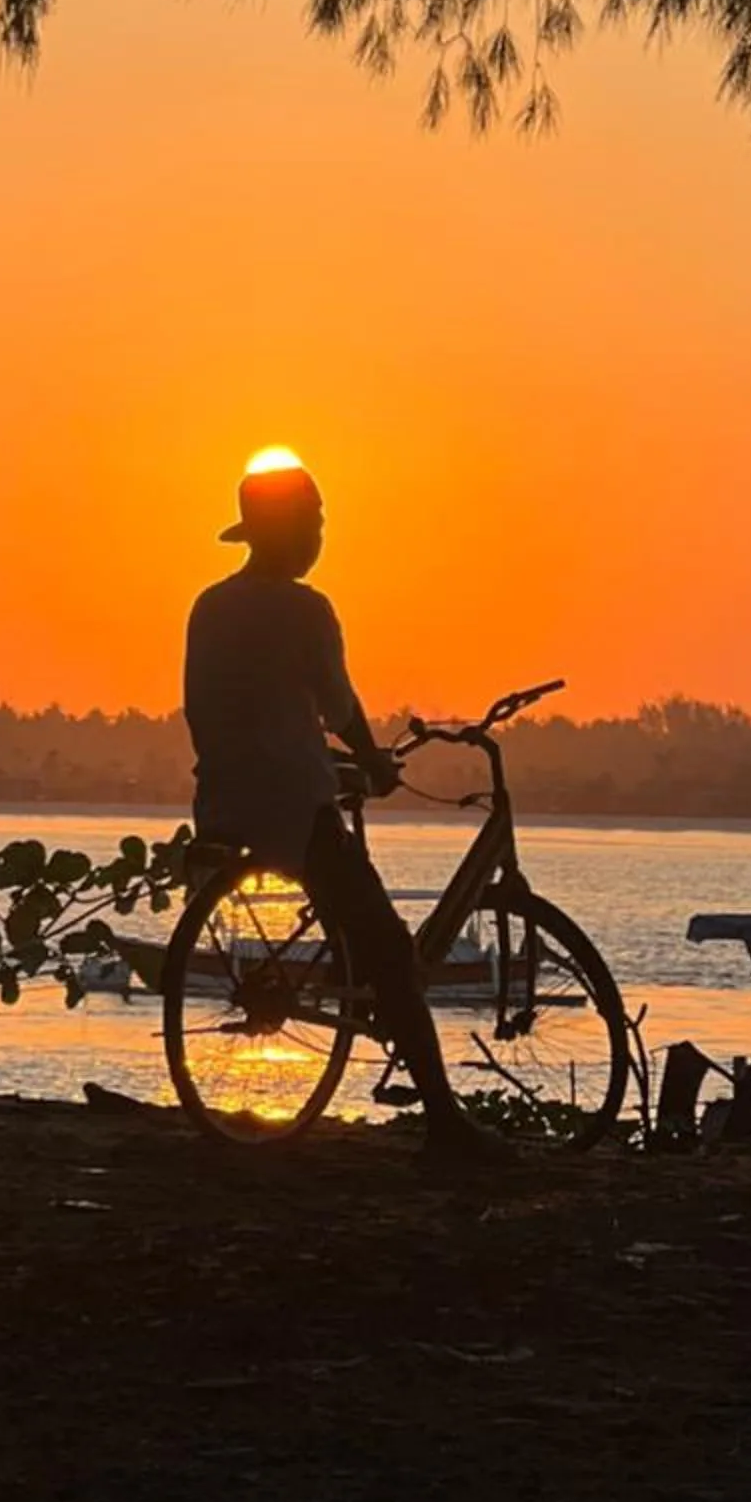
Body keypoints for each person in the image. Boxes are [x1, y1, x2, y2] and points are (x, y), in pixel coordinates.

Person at [183, 451, 505, 1159]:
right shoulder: (304, 609)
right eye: (316, 523)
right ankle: (448, 1125)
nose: (321, 537)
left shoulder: (210, 606)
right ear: (291, 532)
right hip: (293, 807)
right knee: (391, 949)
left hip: (224, 799)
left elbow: (223, 710)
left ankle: (354, 981)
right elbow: (339, 705)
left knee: (363, 923)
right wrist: (374, 762)